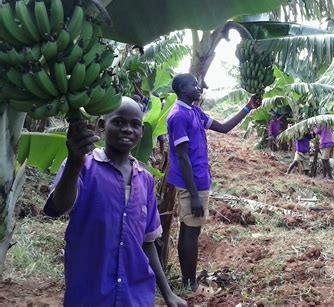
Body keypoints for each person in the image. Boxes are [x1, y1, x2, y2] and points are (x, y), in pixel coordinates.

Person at [43, 97, 186, 307]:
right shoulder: (83, 167)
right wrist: (74, 163)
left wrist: (168, 293)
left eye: (135, 124)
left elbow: (147, 242)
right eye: (118, 122)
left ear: (142, 132)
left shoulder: (145, 179)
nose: (127, 129)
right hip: (90, 293)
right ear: (102, 126)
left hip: (135, 295)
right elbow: (58, 207)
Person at [166, 74, 261, 293]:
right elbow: (182, 157)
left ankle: (190, 281)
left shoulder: (195, 112)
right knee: (189, 230)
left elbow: (224, 128)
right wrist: (195, 194)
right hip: (191, 184)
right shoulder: (179, 115)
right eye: (194, 84)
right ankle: (189, 284)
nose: (199, 87)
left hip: (200, 180)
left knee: (193, 230)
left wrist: (248, 107)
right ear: (181, 88)